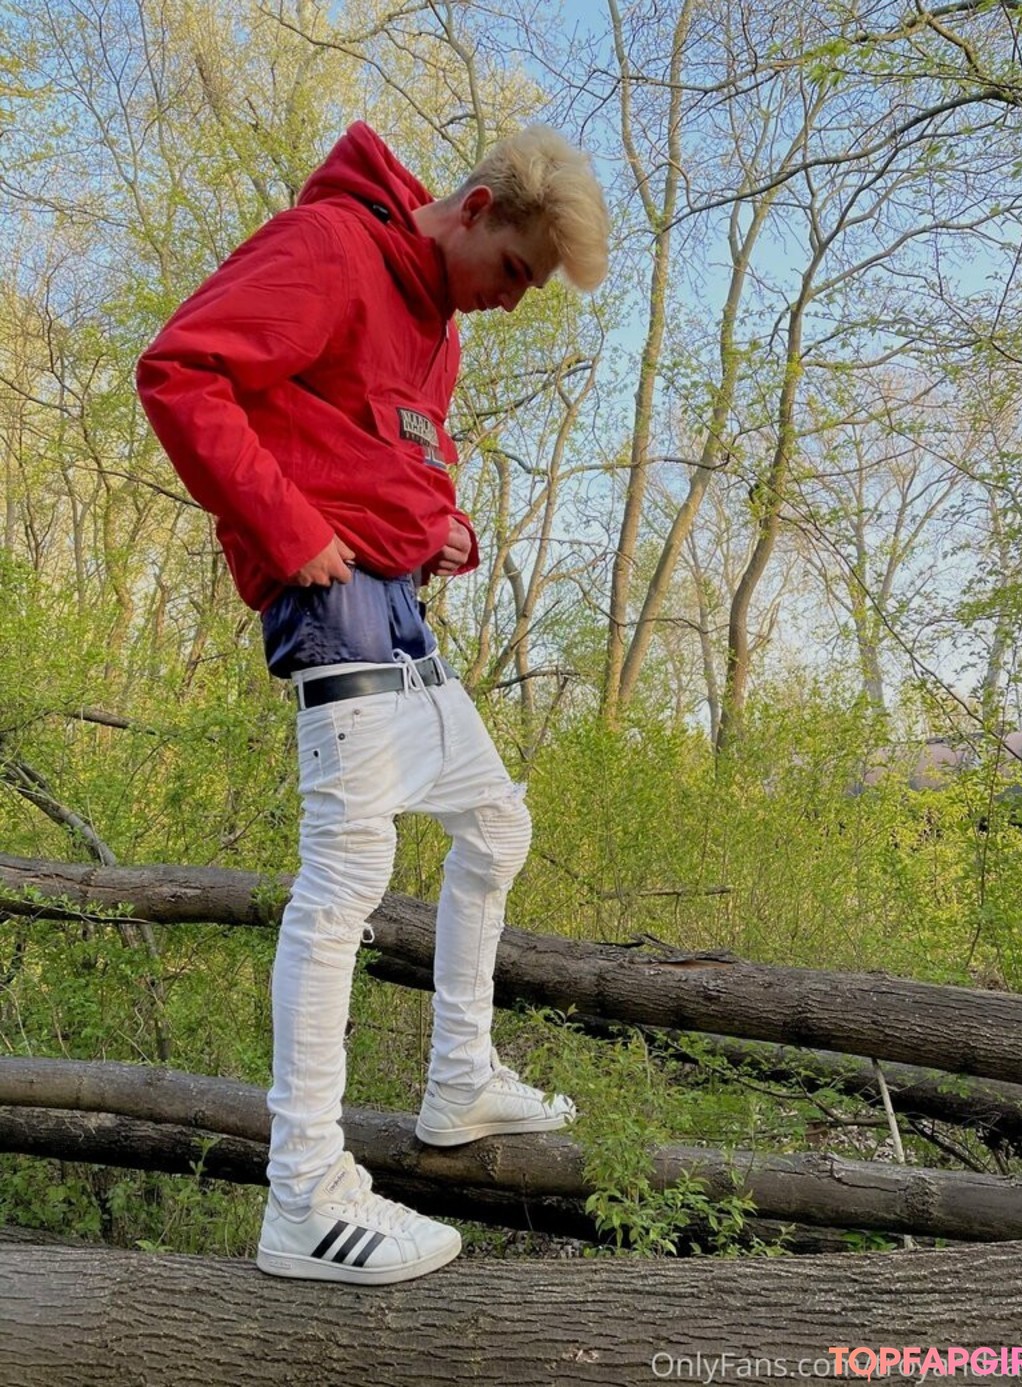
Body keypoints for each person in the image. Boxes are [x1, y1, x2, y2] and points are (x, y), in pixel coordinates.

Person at [137, 121, 609, 1286]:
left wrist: (446, 529)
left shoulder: (439, 331)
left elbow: (390, 453)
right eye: (515, 270)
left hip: (399, 604)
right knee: (345, 878)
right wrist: (289, 530)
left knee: (495, 821)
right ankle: (304, 1194)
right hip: (330, 599)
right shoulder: (331, 248)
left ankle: (458, 1080)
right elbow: (180, 372)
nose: (514, 300)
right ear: (477, 207)